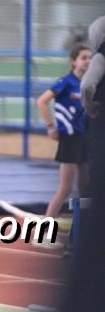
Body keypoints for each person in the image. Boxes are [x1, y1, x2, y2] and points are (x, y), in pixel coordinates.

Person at [36, 43, 92, 218]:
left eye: (90, 58)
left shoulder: (88, 84)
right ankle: (45, 228)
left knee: (85, 188)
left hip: (84, 137)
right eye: (84, 58)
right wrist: (51, 127)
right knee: (65, 188)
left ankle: (84, 227)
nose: (88, 61)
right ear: (74, 61)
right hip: (69, 138)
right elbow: (42, 101)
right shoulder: (66, 82)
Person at [81, 15, 105, 194]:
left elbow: (87, 86)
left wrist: (90, 107)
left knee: (97, 174)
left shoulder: (100, 58)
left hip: (101, 124)